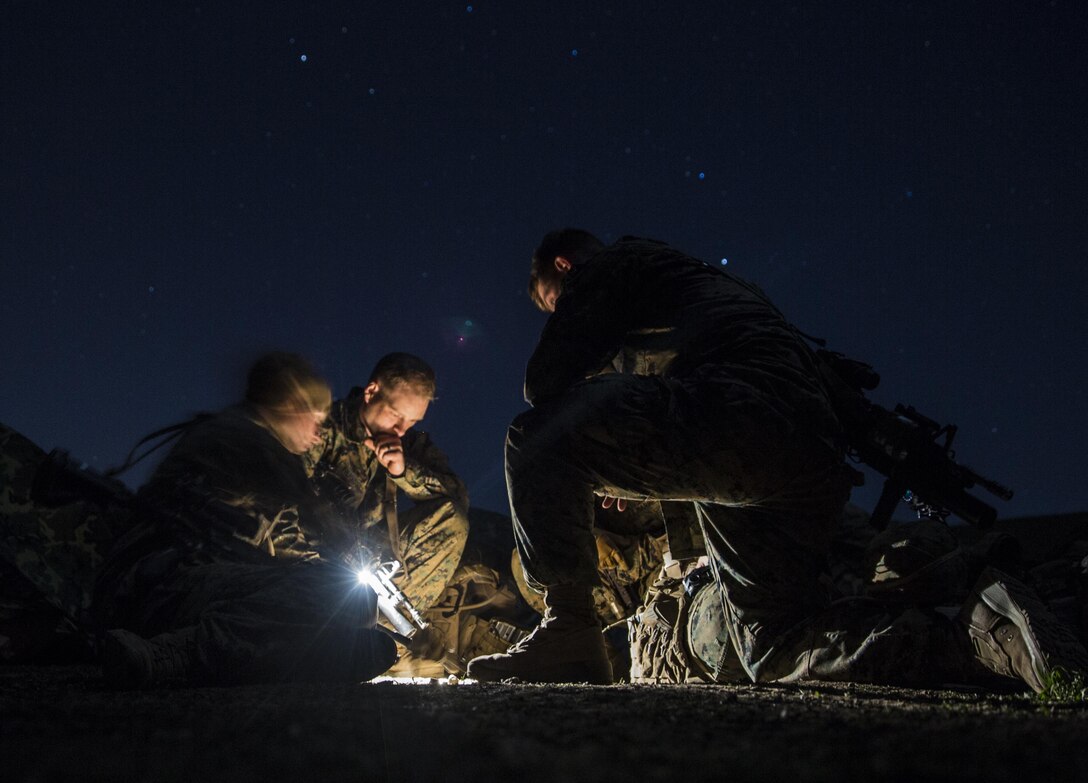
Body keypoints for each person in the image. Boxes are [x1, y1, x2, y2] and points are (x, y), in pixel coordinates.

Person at [467, 230, 1088, 692]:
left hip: (735, 418)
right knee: (773, 646)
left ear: (564, 267)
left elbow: (545, 382)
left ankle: (570, 632)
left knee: (535, 435)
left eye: (553, 303)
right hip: (801, 453)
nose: (559, 313)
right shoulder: (713, 288)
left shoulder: (608, 268)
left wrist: (591, 405)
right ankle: (977, 631)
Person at [94, 352, 396, 687]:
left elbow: (287, 545)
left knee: (370, 640)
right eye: (317, 420)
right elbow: (322, 520)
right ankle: (177, 653)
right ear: (293, 405)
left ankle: (222, 651)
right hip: (156, 588)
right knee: (343, 600)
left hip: (189, 588)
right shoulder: (239, 437)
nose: (317, 435)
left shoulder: (247, 449)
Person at [303, 353, 473, 674]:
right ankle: (351, 638)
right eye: (397, 417)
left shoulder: (406, 442)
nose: (402, 429)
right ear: (371, 392)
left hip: (372, 566)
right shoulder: (321, 427)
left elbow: (457, 496)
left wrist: (403, 470)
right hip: (314, 560)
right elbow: (286, 496)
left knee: (452, 521)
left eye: (412, 422)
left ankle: (385, 639)